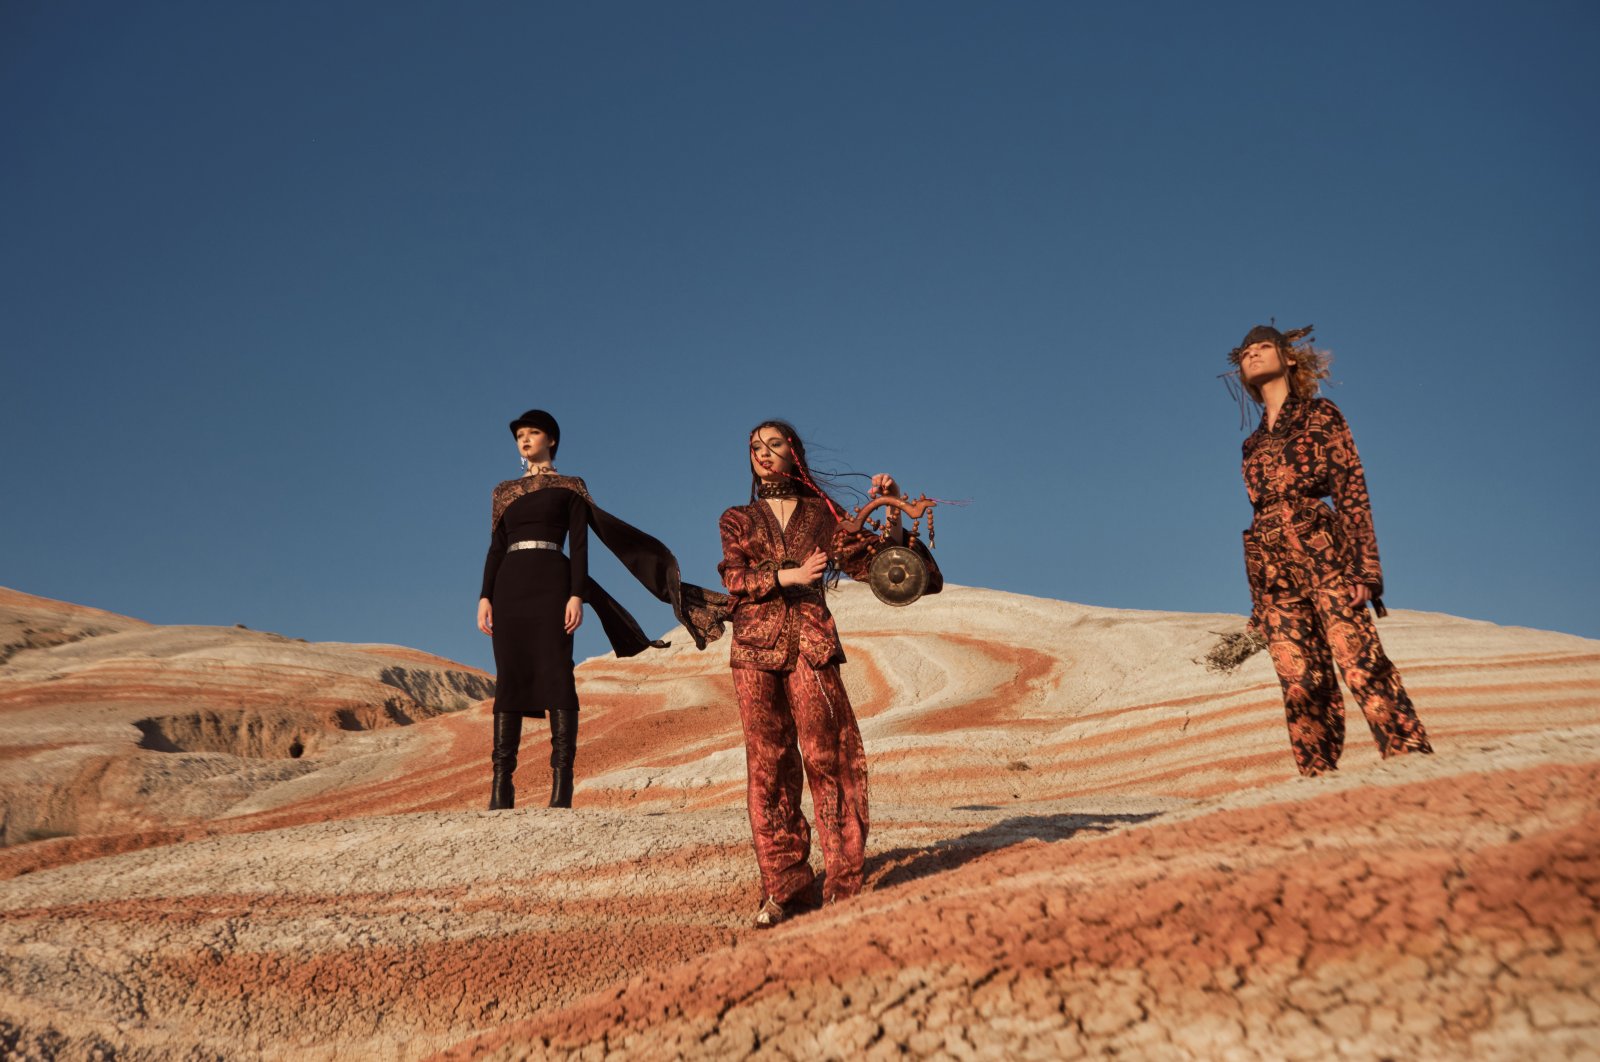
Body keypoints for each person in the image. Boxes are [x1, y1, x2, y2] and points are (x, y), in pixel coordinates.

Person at [478, 409, 725, 810]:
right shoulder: (502, 491)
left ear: (551, 439)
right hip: (509, 586)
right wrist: (484, 596)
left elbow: (579, 546)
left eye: (533, 432)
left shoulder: (570, 486)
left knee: (558, 674)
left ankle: (562, 789)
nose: (524, 440)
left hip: (553, 583)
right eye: (519, 435)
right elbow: (494, 548)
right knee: (509, 678)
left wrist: (576, 595)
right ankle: (501, 788)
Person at [1229, 325, 1433, 776]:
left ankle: (1410, 759)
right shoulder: (1251, 444)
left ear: (1289, 358)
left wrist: (1366, 569)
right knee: (1298, 680)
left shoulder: (1322, 415)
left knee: (1359, 661)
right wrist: (1258, 605)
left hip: (1327, 556)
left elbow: (1351, 488)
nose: (1254, 355)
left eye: (1264, 348)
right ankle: (1316, 777)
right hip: (1272, 569)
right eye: (1246, 353)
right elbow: (1260, 513)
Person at [717, 419, 894, 927]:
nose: (763, 453)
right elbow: (732, 576)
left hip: (812, 644)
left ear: (794, 452)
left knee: (830, 755)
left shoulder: (821, 514)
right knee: (768, 766)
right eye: (754, 446)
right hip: (753, 647)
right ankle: (786, 886)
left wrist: (890, 502)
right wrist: (785, 576)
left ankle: (843, 881)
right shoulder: (737, 518)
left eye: (774, 444)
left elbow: (870, 562)